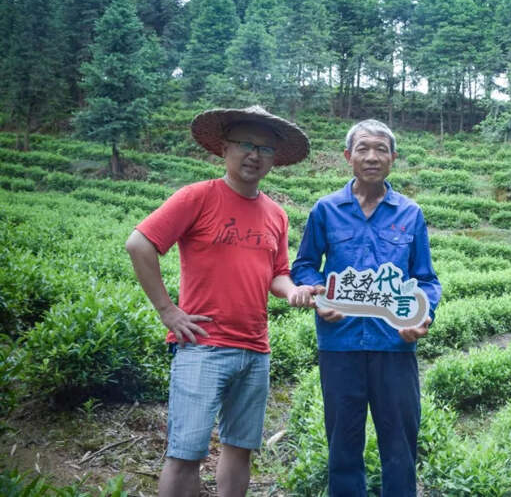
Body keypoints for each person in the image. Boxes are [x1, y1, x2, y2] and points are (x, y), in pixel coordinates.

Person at [125, 105, 321, 497]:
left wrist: (294, 290)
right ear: (224, 148)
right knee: (185, 454)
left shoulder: (276, 214)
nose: (254, 154)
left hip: (255, 350)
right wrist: (168, 311)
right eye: (246, 144)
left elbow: (277, 274)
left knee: (240, 449)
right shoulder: (197, 197)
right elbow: (139, 244)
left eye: (265, 148)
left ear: (275, 159)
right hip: (203, 347)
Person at [292, 119, 442, 496]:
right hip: (339, 343)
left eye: (380, 149)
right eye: (363, 149)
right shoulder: (326, 210)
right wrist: (317, 294)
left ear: (393, 158)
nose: (371, 157)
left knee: (400, 443)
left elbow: (426, 279)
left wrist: (424, 316)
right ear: (348, 156)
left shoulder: (410, 213)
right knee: (343, 441)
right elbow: (305, 265)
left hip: (394, 345)